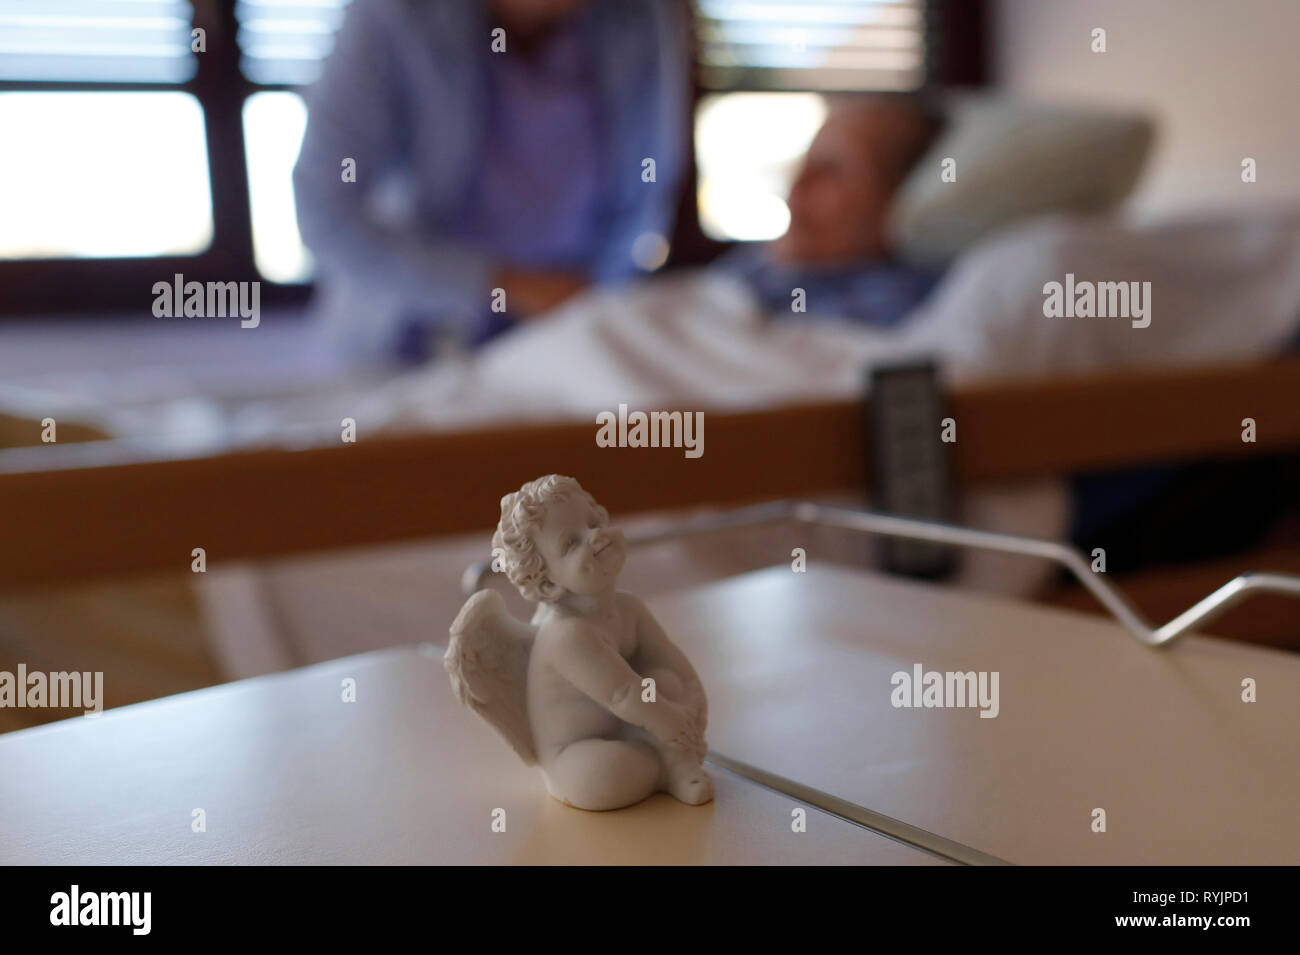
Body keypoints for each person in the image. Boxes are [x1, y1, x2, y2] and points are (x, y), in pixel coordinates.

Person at [293, 0, 690, 362]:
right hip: (408, 343)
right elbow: (326, 212)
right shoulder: (393, 17)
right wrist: (506, 286)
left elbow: (645, 191)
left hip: (567, 337)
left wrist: (591, 301)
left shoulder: (638, 19)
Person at [720, 95, 947, 328]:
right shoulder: (749, 271)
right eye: (805, 164)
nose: (798, 185)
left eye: (832, 170)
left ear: (904, 195)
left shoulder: (893, 310)